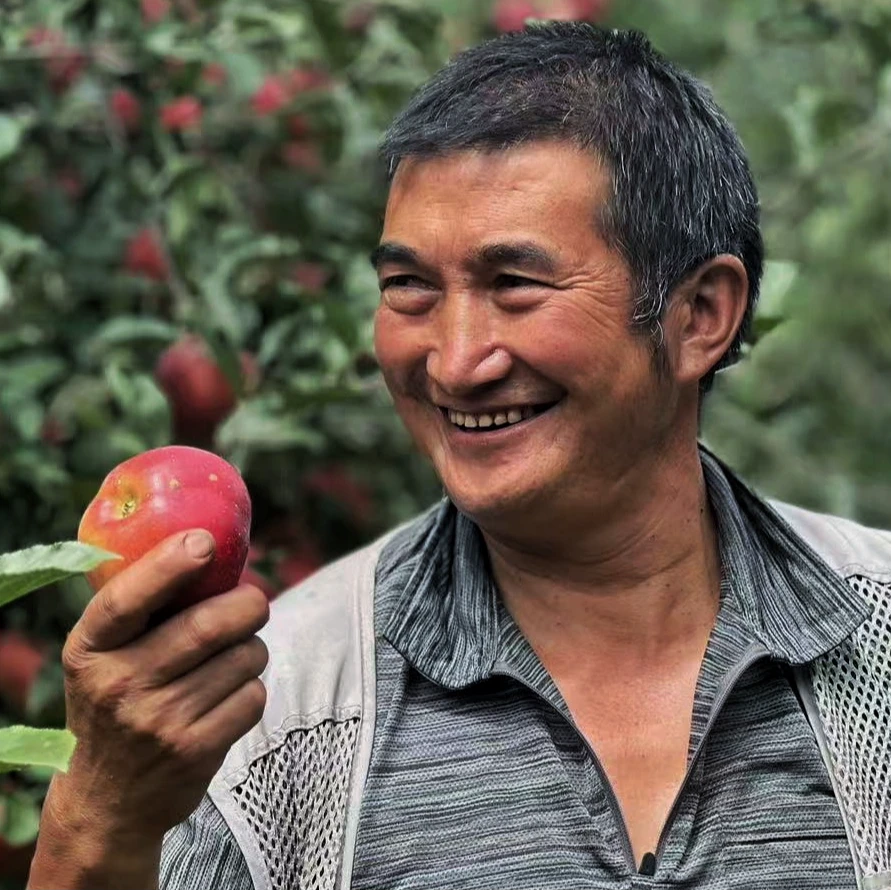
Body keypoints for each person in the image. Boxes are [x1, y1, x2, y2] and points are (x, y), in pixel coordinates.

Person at [27, 21, 891, 891]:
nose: (453, 360)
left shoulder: (878, 651)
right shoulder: (274, 708)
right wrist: (92, 822)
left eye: (514, 284)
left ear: (700, 313)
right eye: (409, 288)